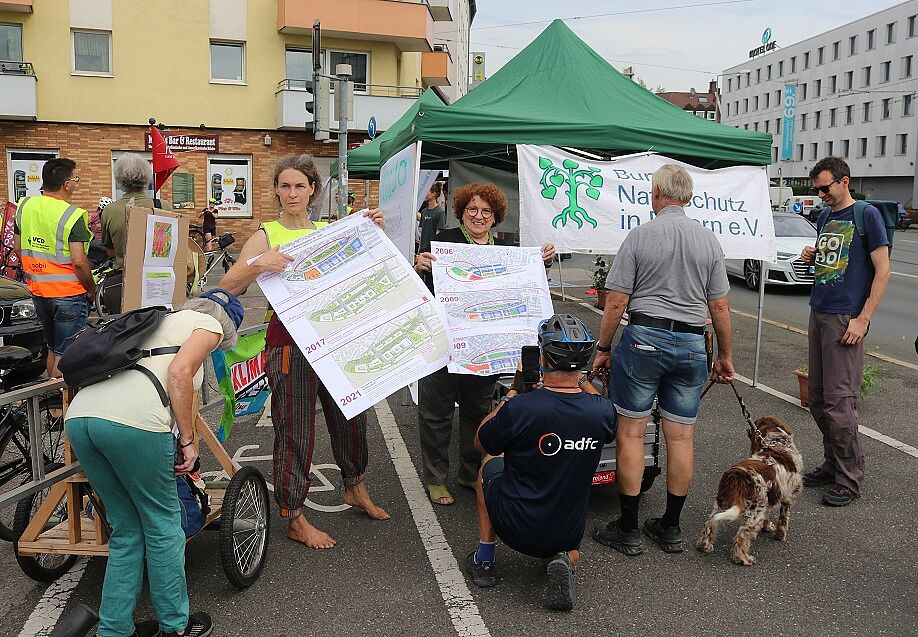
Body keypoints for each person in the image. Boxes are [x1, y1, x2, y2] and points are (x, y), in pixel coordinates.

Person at [219, 154, 390, 550]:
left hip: (335, 338)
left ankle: (354, 486)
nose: (292, 193)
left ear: (313, 189)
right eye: (285, 186)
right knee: (294, 428)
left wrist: (373, 231)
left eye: (299, 186)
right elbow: (229, 285)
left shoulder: (328, 229)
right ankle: (293, 513)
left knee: (351, 417)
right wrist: (261, 262)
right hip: (289, 344)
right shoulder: (266, 233)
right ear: (276, 191)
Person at [64, 289, 252, 637]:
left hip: (81, 418)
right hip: (134, 422)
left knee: (126, 530)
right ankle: (174, 626)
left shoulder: (155, 322)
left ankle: (115, 629)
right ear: (227, 325)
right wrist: (186, 439)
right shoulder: (208, 324)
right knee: (163, 526)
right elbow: (180, 374)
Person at [591, 164, 735, 556]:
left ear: (655, 194)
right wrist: (725, 356)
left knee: (632, 432)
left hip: (644, 341)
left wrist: (603, 348)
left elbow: (617, 300)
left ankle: (628, 528)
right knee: (681, 436)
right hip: (691, 345)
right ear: (687, 196)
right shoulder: (708, 241)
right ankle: (670, 528)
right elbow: (719, 306)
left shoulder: (640, 236)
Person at [413, 183, 555, 505]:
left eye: (486, 212)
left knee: (478, 412)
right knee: (436, 413)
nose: (478, 216)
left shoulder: (509, 247)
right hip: (442, 343)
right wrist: (418, 267)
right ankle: (436, 478)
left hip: (484, 347)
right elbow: (419, 289)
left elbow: (526, 284)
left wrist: (542, 260)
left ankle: (469, 470)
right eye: (472, 210)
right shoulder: (442, 242)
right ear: (462, 212)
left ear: (495, 217)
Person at [466, 314, 616, 611]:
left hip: (516, 529)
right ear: (584, 359)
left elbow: (480, 441)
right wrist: (581, 379)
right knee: (569, 544)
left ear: (544, 357)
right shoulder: (601, 411)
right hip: (566, 534)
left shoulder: (522, 407)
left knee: (488, 462)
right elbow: (599, 404)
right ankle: (563, 559)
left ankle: (484, 559)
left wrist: (512, 393)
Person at [799, 157, 890, 507]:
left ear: (844, 181)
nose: (820, 194)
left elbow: (882, 271)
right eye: (816, 189)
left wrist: (863, 318)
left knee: (840, 402)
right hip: (819, 311)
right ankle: (833, 462)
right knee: (818, 399)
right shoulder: (825, 217)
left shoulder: (866, 215)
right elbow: (832, 261)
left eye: (825, 187)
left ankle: (849, 477)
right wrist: (813, 255)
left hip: (845, 318)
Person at [13, 158, 95, 377]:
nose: (77, 184)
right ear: (66, 184)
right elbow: (78, 261)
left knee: (53, 348)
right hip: (68, 295)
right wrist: (91, 288)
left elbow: (18, 248)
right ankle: (61, 408)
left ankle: (52, 404)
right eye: (76, 179)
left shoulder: (25, 206)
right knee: (66, 354)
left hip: (38, 292)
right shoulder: (72, 215)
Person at [103, 153, 171, 271]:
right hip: (159, 279)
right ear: (147, 177)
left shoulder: (109, 210)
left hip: (123, 277)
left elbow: (110, 250)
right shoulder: (164, 206)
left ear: (118, 179)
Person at [417, 181, 445, 254]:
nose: (424, 194)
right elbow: (423, 232)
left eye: (427, 191)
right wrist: (419, 251)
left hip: (432, 251)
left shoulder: (440, 212)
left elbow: (439, 234)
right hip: (422, 251)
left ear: (433, 194)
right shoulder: (424, 211)